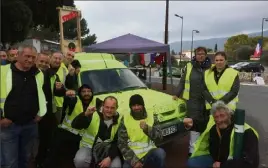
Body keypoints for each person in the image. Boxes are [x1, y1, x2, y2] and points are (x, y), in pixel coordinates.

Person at [0, 45, 47, 168]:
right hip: (9, 125)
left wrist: (41, 113)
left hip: (30, 124)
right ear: (18, 55)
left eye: (33, 57)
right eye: (27, 56)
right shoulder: (3, 71)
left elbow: (41, 96)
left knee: (25, 159)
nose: (30, 60)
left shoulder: (38, 74)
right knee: (9, 162)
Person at [185, 101, 259, 168]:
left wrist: (222, 165)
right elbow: (200, 124)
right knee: (192, 163)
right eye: (216, 117)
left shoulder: (247, 132)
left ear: (229, 115)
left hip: (231, 163)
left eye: (222, 115)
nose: (219, 120)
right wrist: (190, 123)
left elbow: (250, 162)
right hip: (214, 159)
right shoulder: (212, 123)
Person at [173, 46, 212, 156]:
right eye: (198, 53)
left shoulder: (211, 67)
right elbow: (182, 82)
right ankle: (192, 150)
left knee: (205, 125)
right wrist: (176, 94)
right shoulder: (189, 66)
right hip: (192, 101)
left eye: (203, 53)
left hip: (206, 102)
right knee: (193, 125)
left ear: (206, 55)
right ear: (195, 55)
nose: (200, 55)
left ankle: (204, 149)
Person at [44, 84, 94, 168]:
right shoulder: (74, 100)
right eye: (84, 92)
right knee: (54, 154)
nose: (86, 93)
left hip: (80, 137)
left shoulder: (95, 103)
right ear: (79, 93)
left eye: (89, 91)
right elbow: (67, 98)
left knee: (73, 160)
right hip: (66, 132)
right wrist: (64, 91)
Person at [72, 96, 122, 168]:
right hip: (89, 146)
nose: (109, 110)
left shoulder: (120, 120)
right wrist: (85, 114)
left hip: (109, 150)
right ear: (103, 106)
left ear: (116, 108)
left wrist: (109, 158)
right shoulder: (92, 114)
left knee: (116, 166)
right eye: (107, 107)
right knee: (80, 160)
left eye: (112, 108)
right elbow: (75, 125)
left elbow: (119, 142)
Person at [118, 94, 166, 168]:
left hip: (149, 153)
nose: (136, 108)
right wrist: (134, 161)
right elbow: (121, 143)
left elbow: (160, 138)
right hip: (132, 155)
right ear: (130, 107)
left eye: (139, 105)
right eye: (134, 105)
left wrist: (147, 129)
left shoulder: (152, 116)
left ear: (143, 105)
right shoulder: (125, 119)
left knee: (160, 153)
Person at [49, 51, 69, 124]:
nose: (57, 60)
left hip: (59, 104)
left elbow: (68, 86)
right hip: (46, 103)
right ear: (50, 58)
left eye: (59, 59)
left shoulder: (64, 70)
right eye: (55, 58)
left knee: (56, 124)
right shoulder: (45, 67)